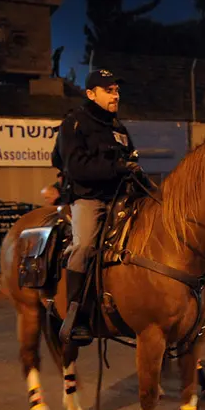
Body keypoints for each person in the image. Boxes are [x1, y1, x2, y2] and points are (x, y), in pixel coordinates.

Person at [57, 69, 141, 346]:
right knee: (83, 247)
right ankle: (76, 315)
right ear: (91, 94)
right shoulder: (74, 123)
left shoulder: (118, 127)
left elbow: (130, 160)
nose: (115, 95)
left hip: (121, 197)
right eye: (109, 90)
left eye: (116, 90)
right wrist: (116, 167)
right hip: (90, 198)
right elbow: (75, 167)